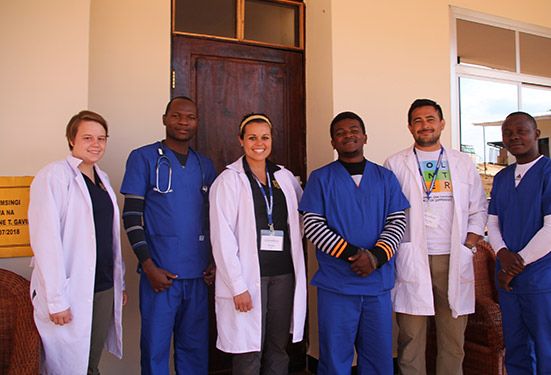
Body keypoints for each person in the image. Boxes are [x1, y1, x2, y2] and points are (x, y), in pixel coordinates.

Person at [299, 111, 409, 375]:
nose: (348, 135)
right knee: (335, 357)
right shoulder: (320, 178)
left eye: (354, 129)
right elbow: (312, 225)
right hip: (336, 284)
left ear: (365, 136)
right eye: (340, 132)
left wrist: (376, 258)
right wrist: (353, 255)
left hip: (376, 284)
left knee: (378, 358)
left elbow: (397, 222)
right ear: (333, 143)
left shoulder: (386, 178)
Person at [384, 99, 487, 375]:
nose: (424, 125)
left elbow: (479, 208)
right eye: (417, 120)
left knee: (453, 339)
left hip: (452, 257)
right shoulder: (395, 163)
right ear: (409, 127)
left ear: (442, 123)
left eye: (430, 119)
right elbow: (388, 212)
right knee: (410, 337)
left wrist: (468, 245)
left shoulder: (463, 162)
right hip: (412, 257)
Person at [120, 96, 217, 374]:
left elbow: (212, 219)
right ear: (164, 119)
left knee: (195, 351)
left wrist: (213, 260)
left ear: (197, 122)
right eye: (176, 116)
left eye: (190, 117)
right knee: (155, 350)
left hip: (198, 275)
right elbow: (131, 216)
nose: (183, 122)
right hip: (159, 275)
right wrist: (148, 266)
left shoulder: (205, 165)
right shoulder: (143, 158)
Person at [29, 110, 127, 375]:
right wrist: (56, 300)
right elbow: (45, 242)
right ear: (71, 139)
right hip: (69, 290)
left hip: (103, 286)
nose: (95, 144)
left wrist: (119, 284)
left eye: (101, 138)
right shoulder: (53, 177)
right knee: (69, 366)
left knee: (90, 362)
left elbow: (109, 238)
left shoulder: (102, 180)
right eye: (87, 138)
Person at [209, 114, 307, 375]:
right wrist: (237, 287)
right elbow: (222, 239)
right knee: (249, 351)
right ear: (241, 141)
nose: (259, 143)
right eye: (252, 137)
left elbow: (301, 219)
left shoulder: (285, 178)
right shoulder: (228, 181)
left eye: (265, 137)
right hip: (248, 279)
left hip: (283, 275)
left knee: (278, 346)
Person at [487, 111, 551, 374]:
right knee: (516, 349)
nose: (514, 137)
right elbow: (492, 223)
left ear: (536, 134)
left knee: (549, 350)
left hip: (541, 277)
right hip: (508, 279)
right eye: (508, 133)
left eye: (521, 131)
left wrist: (513, 265)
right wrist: (502, 256)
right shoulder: (502, 177)